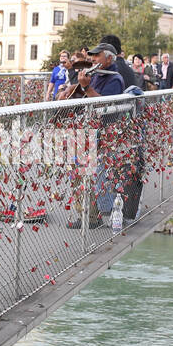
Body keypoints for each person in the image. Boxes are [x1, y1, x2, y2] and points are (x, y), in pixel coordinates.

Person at [66, 43, 124, 229]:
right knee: (78, 174)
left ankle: (91, 217)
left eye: (96, 56)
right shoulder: (98, 74)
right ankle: (87, 215)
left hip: (100, 132)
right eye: (92, 55)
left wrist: (86, 88)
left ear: (109, 58)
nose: (92, 59)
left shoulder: (115, 79)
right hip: (86, 131)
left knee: (85, 175)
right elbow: (86, 93)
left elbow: (104, 106)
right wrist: (74, 88)